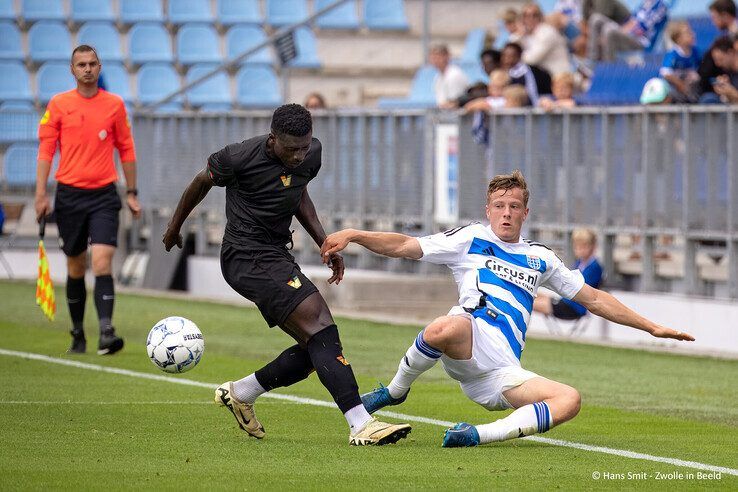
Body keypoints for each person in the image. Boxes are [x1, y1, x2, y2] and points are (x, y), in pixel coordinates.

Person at [320, 170, 694, 448]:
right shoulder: (471, 238)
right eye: (499, 206)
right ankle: (397, 390)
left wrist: (651, 327)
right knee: (443, 327)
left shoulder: (540, 258)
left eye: (514, 207)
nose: (506, 213)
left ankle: (473, 436)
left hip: (501, 370)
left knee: (569, 399)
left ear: (525, 212)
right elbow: (405, 245)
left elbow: (593, 298)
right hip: (467, 341)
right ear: (488, 209)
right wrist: (354, 235)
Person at [162, 104, 411, 446]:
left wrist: (325, 243)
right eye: (291, 148)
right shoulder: (237, 158)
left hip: (277, 254)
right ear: (272, 138)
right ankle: (360, 423)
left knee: (316, 349)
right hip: (244, 256)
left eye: (303, 148)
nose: (298, 156)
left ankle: (241, 392)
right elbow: (200, 182)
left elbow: (298, 194)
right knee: (321, 324)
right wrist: (175, 226)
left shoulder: (312, 154)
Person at [35, 44, 140, 355]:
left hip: (105, 194)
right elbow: (46, 152)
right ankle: (78, 333)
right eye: (81, 64)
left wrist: (132, 192)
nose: (88, 69)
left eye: (93, 63)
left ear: (99, 66)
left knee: (102, 260)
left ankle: (106, 331)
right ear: (72, 69)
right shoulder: (58, 104)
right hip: (69, 195)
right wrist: (41, 194)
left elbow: (127, 150)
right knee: (76, 265)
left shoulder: (115, 105)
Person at [533, 228, 603, 319]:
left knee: (529, 301)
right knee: (532, 294)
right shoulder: (578, 263)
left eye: (584, 247)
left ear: (593, 247)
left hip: (575, 308)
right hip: (566, 301)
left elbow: (581, 289)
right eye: (577, 247)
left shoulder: (594, 267)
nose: (580, 250)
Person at [587, 0, 669, 62]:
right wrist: (621, 30)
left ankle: (609, 67)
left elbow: (641, 29)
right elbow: (630, 21)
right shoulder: (644, 5)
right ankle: (592, 61)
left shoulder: (660, 6)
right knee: (596, 19)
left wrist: (620, 31)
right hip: (629, 36)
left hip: (641, 42)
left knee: (609, 30)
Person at [697, 0, 738, 100]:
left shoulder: (733, 38)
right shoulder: (725, 37)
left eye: (714, 17)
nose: (713, 22)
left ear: (724, 15)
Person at [519, 3, 572, 76]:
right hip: (547, 77)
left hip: (560, 77)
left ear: (540, 17)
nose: (530, 19)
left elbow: (531, 59)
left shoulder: (547, 32)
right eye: (526, 16)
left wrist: (516, 56)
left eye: (535, 15)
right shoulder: (529, 34)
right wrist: (518, 35)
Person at [660, 21, 701, 103]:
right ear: (678, 39)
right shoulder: (673, 54)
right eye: (687, 32)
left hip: (691, 90)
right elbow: (665, 73)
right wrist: (680, 85)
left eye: (691, 31)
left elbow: (699, 69)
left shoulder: (695, 52)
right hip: (675, 91)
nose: (692, 34)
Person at [428, 44, 470, 109]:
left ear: (447, 57)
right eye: (433, 58)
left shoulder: (454, 75)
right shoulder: (437, 77)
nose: (435, 61)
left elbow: (455, 102)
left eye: (438, 57)